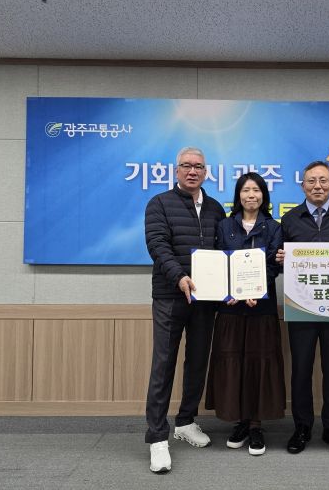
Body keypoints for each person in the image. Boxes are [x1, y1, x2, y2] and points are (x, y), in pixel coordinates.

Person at [144, 146, 226, 473]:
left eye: (198, 166)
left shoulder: (216, 209)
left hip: (205, 299)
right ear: (176, 170)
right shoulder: (159, 203)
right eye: (186, 166)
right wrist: (179, 277)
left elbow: (224, 251)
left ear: (206, 172)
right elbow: (157, 245)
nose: (192, 171)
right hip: (170, 296)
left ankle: (186, 421)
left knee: (197, 361)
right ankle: (157, 437)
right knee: (163, 364)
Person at [275, 160, 329, 458]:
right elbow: (278, 261)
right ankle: (302, 427)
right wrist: (280, 259)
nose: (318, 186)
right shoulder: (290, 219)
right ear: (303, 185)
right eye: (311, 181)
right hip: (301, 307)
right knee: (301, 369)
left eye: (323, 180)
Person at [205, 172, 286, 456]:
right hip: (230, 308)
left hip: (261, 308)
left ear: (264, 195)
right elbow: (217, 262)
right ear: (238, 195)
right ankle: (239, 422)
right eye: (245, 190)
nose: (251, 195)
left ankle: (255, 425)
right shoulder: (224, 225)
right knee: (233, 363)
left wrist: (256, 289)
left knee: (258, 365)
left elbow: (273, 265)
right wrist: (226, 291)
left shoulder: (274, 227)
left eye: (256, 190)